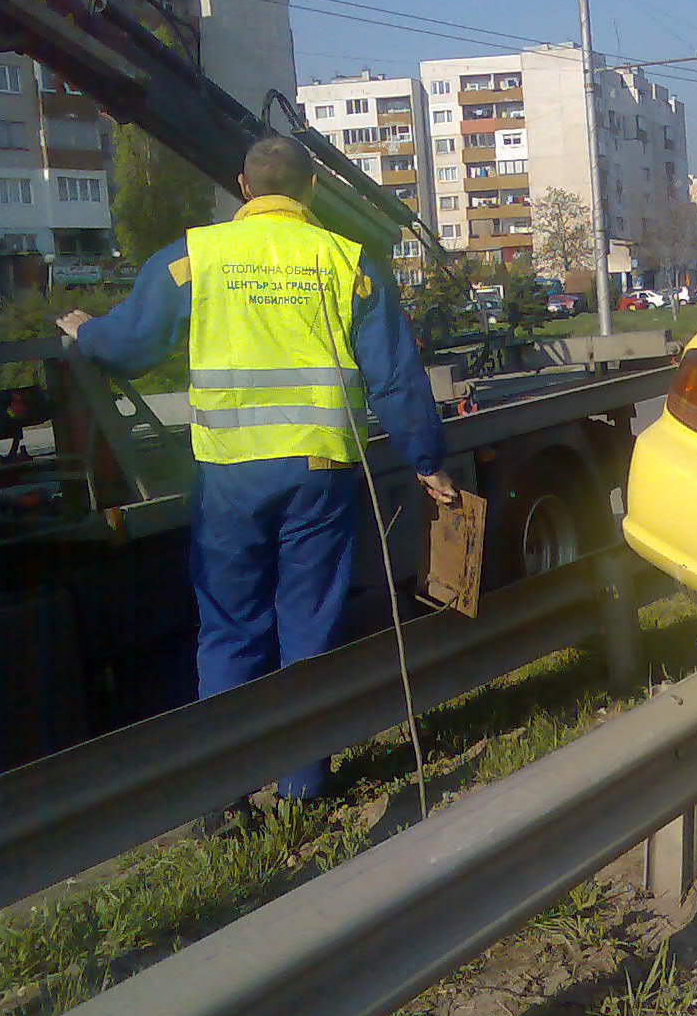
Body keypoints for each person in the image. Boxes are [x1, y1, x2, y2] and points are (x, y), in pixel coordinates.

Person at [56, 136, 455, 802]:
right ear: (311, 191)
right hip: (318, 471)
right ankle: (302, 786)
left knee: (230, 627)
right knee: (308, 627)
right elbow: (396, 378)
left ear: (243, 188)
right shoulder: (347, 262)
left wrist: (86, 332)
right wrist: (428, 459)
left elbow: (130, 347)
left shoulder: (194, 258)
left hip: (230, 476)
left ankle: (226, 792)